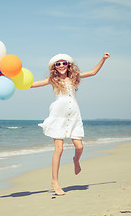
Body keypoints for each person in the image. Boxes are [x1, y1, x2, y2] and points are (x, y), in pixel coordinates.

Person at [31, 52, 110, 195]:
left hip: (74, 116)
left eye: (64, 63)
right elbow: (31, 85)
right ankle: (55, 182)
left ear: (69, 65)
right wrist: (12, 80)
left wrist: (103, 59)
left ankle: (76, 160)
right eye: (58, 64)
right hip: (58, 116)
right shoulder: (52, 80)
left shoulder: (74, 78)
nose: (61, 66)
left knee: (79, 146)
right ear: (55, 67)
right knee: (59, 149)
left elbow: (93, 72)